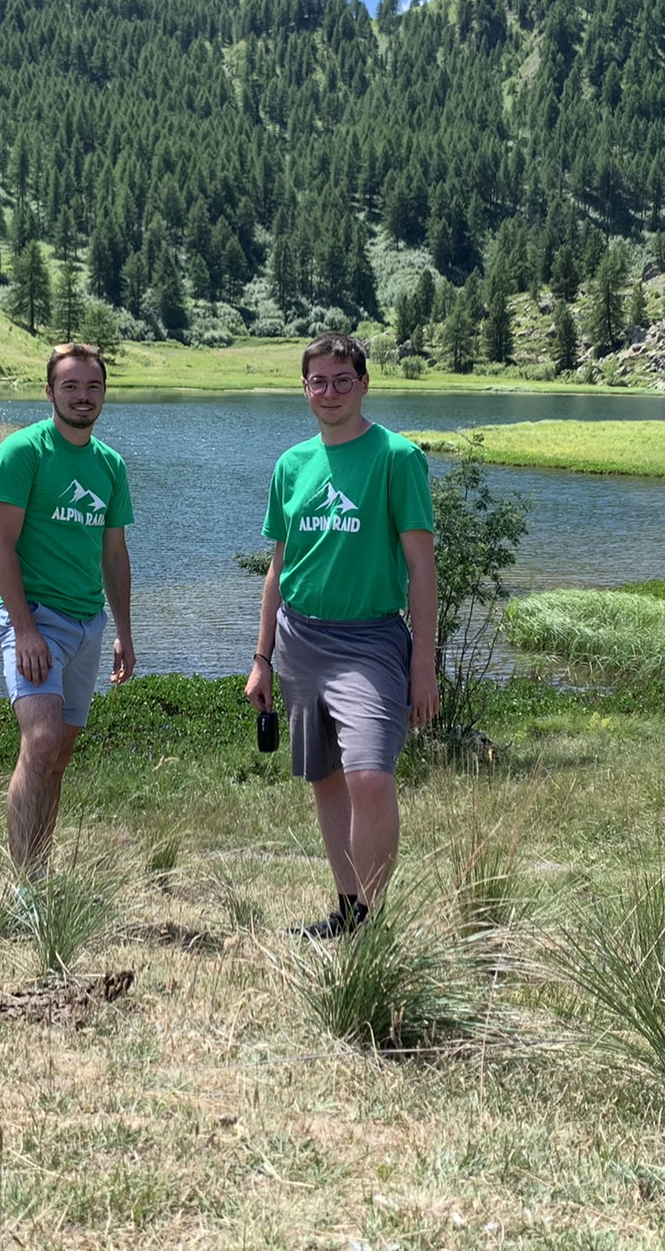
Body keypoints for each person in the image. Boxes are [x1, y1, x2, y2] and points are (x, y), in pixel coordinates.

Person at [245, 334, 438, 938]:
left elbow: (422, 568)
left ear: (364, 385)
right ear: (305, 389)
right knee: (326, 777)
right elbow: (279, 566)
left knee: (371, 777)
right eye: (318, 382)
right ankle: (349, 910)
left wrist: (423, 665)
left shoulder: (396, 457)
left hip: (372, 640)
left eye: (342, 381)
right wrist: (261, 659)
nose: (329, 393)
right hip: (300, 638)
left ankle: (375, 926)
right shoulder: (291, 464)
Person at [0, 342, 135, 878]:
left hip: (88, 623)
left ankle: (40, 872)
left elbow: (114, 554)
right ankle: (23, 889)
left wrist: (123, 631)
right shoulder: (22, 452)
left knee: (60, 755)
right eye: (70, 386)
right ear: (49, 391)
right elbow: (1, 546)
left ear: (104, 395)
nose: (83, 396)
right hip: (38, 619)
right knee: (42, 740)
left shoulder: (110, 465)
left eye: (92, 386)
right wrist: (25, 629)